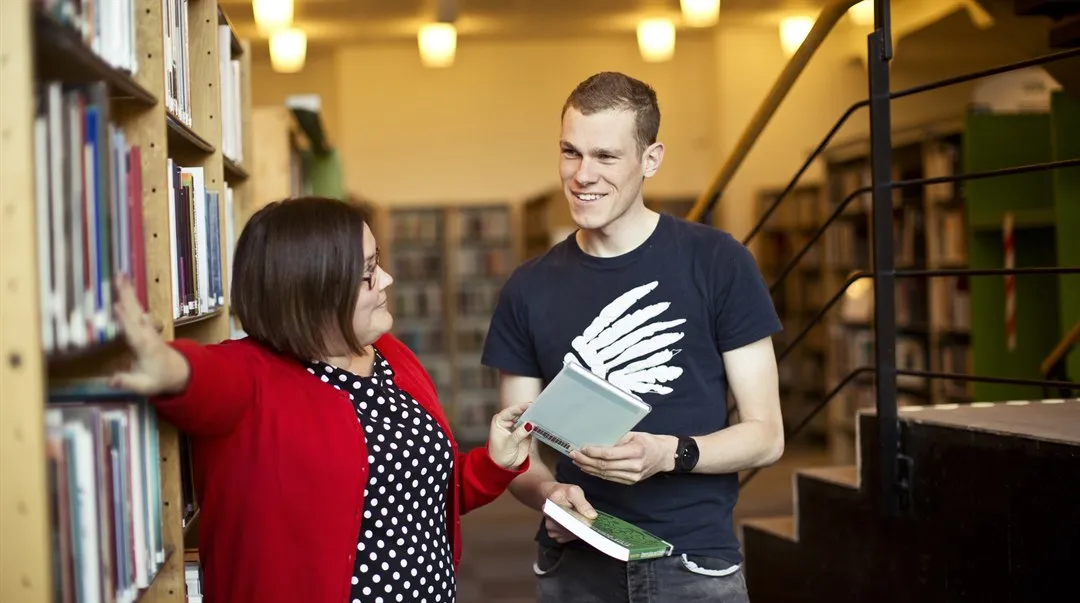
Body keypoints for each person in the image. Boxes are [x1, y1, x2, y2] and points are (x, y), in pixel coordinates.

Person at [109, 196, 534, 603]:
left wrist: (492, 464)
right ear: (314, 290)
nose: (386, 279)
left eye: (378, 260)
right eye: (368, 272)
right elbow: (204, 380)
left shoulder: (392, 356)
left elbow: (414, 500)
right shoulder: (253, 377)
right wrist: (168, 366)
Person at [481, 71, 785, 602]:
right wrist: (549, 492)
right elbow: (518, 453)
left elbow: (767, 435)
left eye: (605, 156)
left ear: (651, 159)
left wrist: (669, 453)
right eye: (570, 152)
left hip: (693, 562)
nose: (581, 175)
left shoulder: (719, 262)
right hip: (575, 562)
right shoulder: (527, 288)